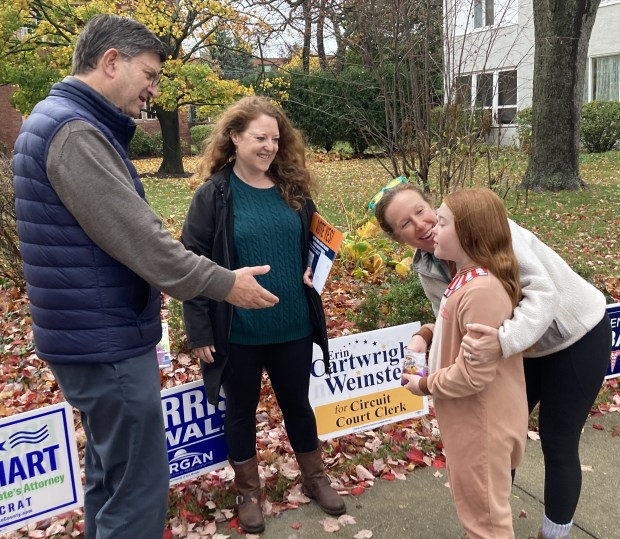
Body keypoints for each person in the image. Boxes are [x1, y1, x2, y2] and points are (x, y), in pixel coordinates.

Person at [12, 15, 278, 539]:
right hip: (105, 341)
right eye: (150, 74)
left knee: (110, 477)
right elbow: (145, 243)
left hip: (87, 335)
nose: (154, 91)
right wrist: (227, 284)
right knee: (137, 490)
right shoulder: (75, 133)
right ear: (112, 61)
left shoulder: (56, 120)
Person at [374, 182, 612, 539]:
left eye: (421, 211)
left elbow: (542, 293)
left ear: (432, 205)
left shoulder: (486, 229)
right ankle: (490, 519)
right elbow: (451, 319)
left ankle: (552, 533)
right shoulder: (429, 264)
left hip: (573, 335)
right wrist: (424, 337)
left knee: (557, 441)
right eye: (405, 223)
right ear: (397, 238)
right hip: (516, 346)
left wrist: (501, 341)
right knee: (497, 438)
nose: (421, 224)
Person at [181, 95, 346, 534]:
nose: (270, 146)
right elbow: (190, 264)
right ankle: (248, 491)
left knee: (298, 405)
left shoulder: (293, 189)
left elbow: (310, 245)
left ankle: (315, 478)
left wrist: (313, 266)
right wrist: (199, 331)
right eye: (259, 138)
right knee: (240, 411)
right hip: (238, 331)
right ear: (233, 138)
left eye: (275, 138)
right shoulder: (213, 196)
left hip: (292, 323)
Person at [399, 188, 528, 538]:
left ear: (468, 233)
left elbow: (473, 375)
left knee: (486, 525)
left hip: (481, 427)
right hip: (470, 423)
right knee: (479, 516)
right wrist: (425, 334)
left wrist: (423, 385)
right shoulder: (465, 278)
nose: (432, 231)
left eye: (441, 223)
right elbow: (451, 326)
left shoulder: (481, 290)